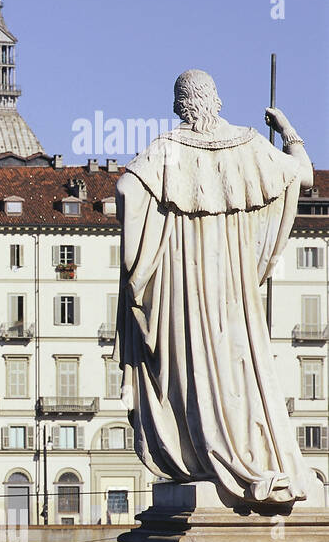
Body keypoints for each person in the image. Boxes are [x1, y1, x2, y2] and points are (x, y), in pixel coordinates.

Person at [118, 71, 315, 505]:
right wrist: (287, 130)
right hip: (232, 288)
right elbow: (303, 176)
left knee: (195, 369)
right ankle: (250, 450)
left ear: (180, 106)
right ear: (216, 101)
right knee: (238, 364)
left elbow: (126, 188)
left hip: (185, 286)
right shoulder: (248, 144)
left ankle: (205, 452)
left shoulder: (166, 150)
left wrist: (142, 254)